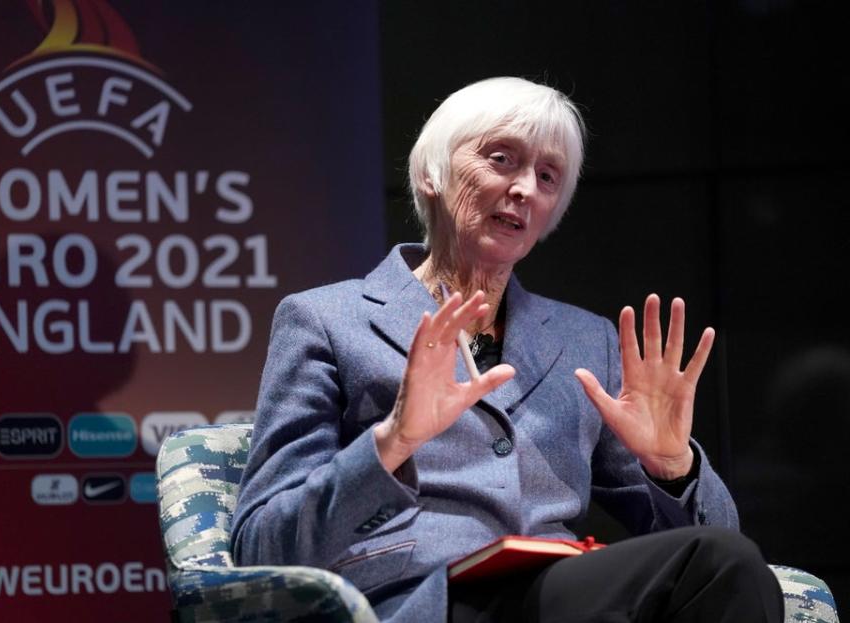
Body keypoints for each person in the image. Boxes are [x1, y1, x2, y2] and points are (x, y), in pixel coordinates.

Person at [231, 77, 783, 622]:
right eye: (501, 159)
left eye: (547, 177)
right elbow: (261, 547)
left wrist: (673, 468)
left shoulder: (586, 342)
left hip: (555, 597)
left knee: (727, 564)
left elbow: (712, 562)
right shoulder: (326, 320)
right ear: (431, 174)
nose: (525, 189)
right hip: (421, 601)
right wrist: (392, 442)